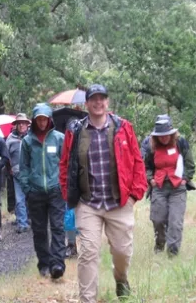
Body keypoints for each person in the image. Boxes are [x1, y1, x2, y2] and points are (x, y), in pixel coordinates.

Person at [59, 84, 147, 302]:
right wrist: (68, 194)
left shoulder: (123, 127)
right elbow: (65, 164)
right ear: (86, 103)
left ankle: (121, 279)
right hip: (88, 203)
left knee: (122, 252)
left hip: (119, 202)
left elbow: (137, 161)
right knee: (88, 253)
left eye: (102, 98)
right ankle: (87, 299)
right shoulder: (76, 131)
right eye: (93, 99)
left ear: (107, 102)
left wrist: (135, 193)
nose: (98, 103)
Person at [19, 103, 66, 278]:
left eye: (45, 119)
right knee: (39, 230)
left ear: (49, 119)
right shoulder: (27, 141)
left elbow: (65, 163)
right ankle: (44, 264)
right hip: (35, 191)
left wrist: (63, 185)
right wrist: (27, 188)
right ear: (34, 120)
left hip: (56, 190)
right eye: (39, 119)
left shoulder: (59, 138)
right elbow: (22, 167)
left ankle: (57, 265)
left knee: (58, 227)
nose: (42, 122)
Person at [143, 115, 196, 257]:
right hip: (159, 187)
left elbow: (190, 163)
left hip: (177, 188)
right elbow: (146, 166)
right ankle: (159, 244)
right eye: (161, 136)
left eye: (166, 135)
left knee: (175, 222)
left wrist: (185, 178)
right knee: (158, 220)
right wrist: (150, 179)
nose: (164, 138)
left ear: (172, 133)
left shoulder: (180, 142)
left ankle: (173, 253)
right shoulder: (150, 145)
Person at [6, 113, 32, 233]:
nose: (21, 125)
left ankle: (33, 219)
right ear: (16, 125)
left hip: (32, 173)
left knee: (33, 197)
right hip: (17, 174)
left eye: (23, 123)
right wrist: (9, 167)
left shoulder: (32, 136)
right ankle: (23, 223)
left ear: (27, 124)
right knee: (19, 199)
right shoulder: (10, 138)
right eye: (19, 123)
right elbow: (6, 155)